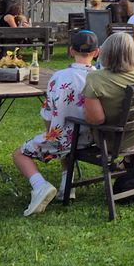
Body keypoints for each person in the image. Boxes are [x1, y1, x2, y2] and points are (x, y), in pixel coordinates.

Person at [12, 30, 98, 216]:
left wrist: (50, 134)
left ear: (70, 50)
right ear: (96, 52)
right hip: (93, 138)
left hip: (64, 139)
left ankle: (40, 186)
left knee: (19, 154)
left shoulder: (60, 77)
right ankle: (67, 186)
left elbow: (48, 114)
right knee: (68, 132)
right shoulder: (100, 76)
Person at [80, 32, 134, 169]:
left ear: (106, 53)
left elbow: (96, 120)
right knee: (129, 128)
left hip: (115, 142)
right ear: (132, 53)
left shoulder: (95, 78)